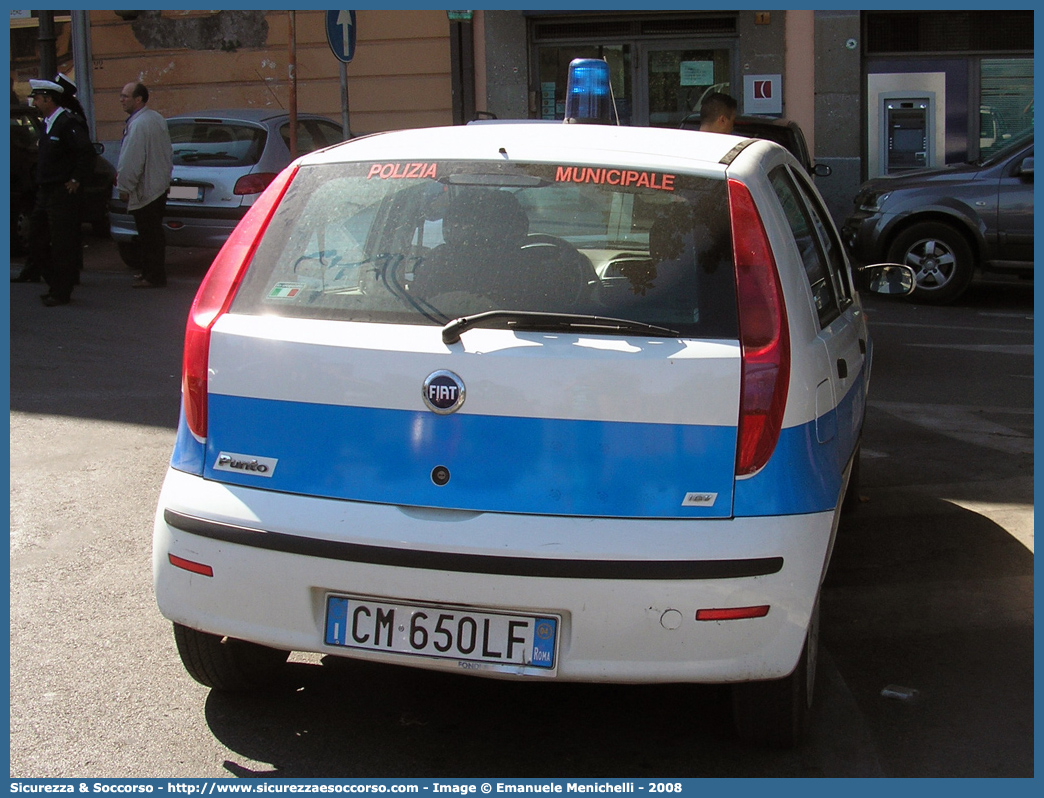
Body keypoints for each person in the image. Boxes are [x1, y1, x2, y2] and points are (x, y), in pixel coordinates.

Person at [14, 78, 95, 305]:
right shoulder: (48, 123)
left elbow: (85, 152)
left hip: (61, 192)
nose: (35, 102)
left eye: (37, 98)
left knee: (62, 244)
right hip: (45, 191)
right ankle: (54, 283)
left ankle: (61, 291)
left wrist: (76, 179)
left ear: (48, 99)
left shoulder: (67, 123)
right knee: (36, 239)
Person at [116, 81, 173, 288]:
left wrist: (124, 187)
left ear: (138, 99)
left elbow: (131, 160)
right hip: (157, 185)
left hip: (146, 188)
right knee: (152, 234)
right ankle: (150, 272)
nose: (121, 100)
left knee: (149, 235)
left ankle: (153, 275)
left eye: (125, 96)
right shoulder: (155, 118)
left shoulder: (140, 124)